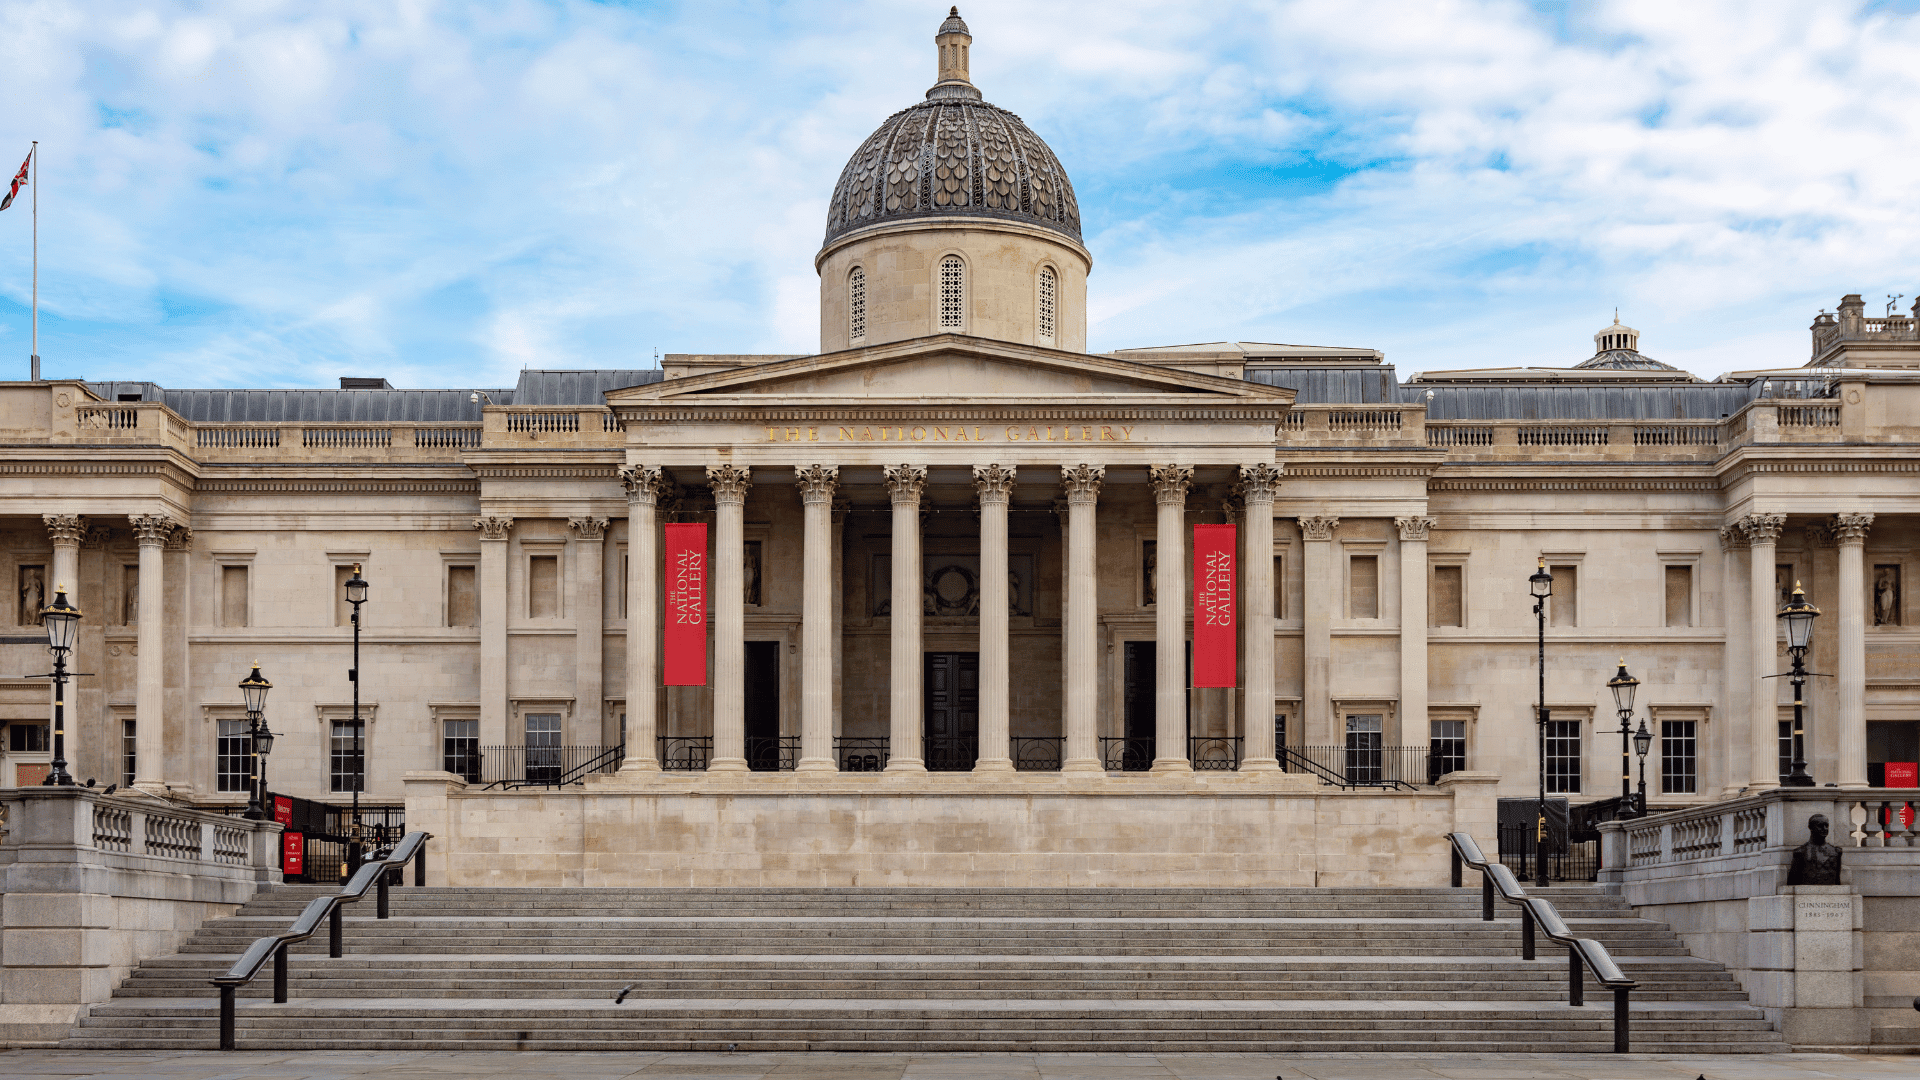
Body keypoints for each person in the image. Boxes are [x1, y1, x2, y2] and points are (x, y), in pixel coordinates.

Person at [1786, 813, 1843, 885]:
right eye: (1820, 826)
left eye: (1826, 826)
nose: (1824, 829)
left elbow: (1837, 881)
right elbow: (1792, 882)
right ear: (1811, 827)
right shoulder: (1800, 852)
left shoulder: (1836, 852)